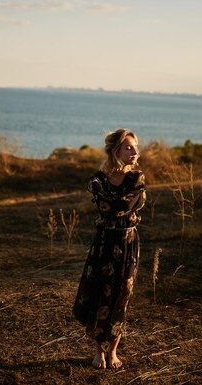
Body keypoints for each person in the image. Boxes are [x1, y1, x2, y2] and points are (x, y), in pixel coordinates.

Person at [73, 128, 146, 369]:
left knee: (120, 297)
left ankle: (112, 351)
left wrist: (116, 204)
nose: (135, 151)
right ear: (115, 151)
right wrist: (118, 204)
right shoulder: (98, 180)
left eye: (136, 147)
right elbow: (112, 208)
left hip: (127, 244)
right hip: (104, 244)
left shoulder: (137, 178)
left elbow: (117, 208)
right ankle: (98, 352)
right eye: (129, 147)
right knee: (99, 296)